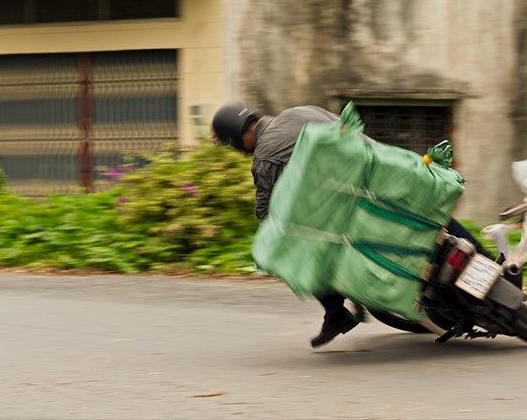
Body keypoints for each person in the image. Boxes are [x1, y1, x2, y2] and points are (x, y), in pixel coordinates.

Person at [211, 103, 505, 348]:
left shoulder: (264, 158)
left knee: (293, 250)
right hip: (387, 173)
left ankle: (337, 313)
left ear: (238, 139)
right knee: (429, 215)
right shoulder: (299, 111)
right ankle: (486, 259)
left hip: (357, 209)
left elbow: (268, 216)